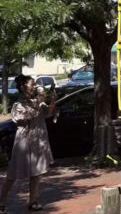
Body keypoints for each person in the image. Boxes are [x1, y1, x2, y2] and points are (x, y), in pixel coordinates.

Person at [0, 75, 56, 212]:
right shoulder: (18, 105)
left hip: (39, 141)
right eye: (32, 84)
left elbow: (48, 113)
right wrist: (39, 100)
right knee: (13, 174)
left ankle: (33, 201)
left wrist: (53, 100)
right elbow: (28, 116)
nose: (35, 87)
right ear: (24, 87)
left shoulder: (38, 102)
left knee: (36, 173)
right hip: (24, 143)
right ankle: (1, 201)